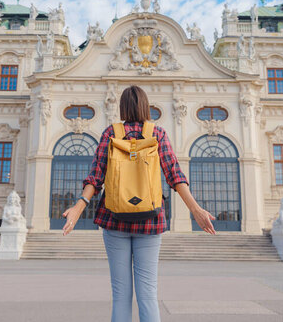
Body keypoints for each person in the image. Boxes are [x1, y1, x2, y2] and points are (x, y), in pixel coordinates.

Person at [62, 85, 216, 322]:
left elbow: (96, 176)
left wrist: (78, 206)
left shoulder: (110, 134)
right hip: (150, 221)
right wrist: (195, 209)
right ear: (146, 107)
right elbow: (174, 175)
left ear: (122, 107)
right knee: (148, 293)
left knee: (121, 294)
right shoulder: (158, 134)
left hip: (114, 220)